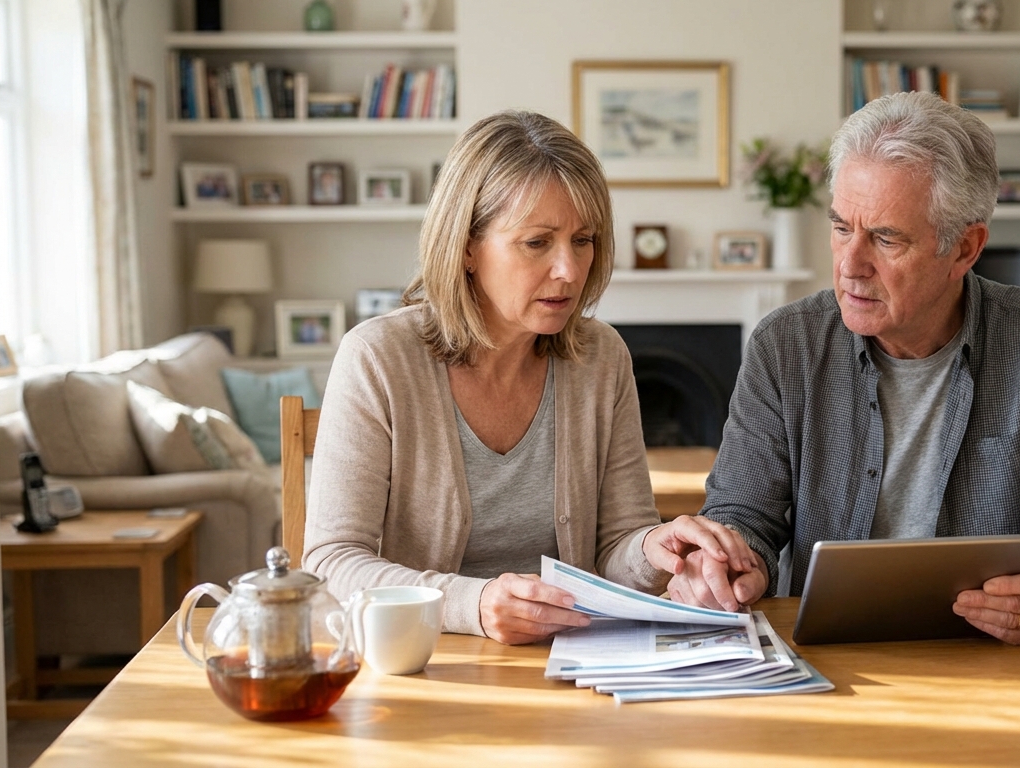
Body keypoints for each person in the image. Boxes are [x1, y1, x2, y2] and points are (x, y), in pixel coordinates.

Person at [667, 91, 1020, 646]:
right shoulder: (785, 345)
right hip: (826, 659)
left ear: (965, 248)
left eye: (886, 238)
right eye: (842, 227)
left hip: (991, 660)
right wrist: (732, 565)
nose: (849, 265)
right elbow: (744, 514)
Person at [304, 110, 755, 645]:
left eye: (583, 240)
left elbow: (616, 547)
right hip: (427, 665)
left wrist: (656, 548)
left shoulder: (602, 358)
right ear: (468, 247)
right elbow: (331, 562)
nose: (568, 270)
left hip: (574, 660)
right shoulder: (376, 358)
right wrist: (474, 604)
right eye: (537, 243)